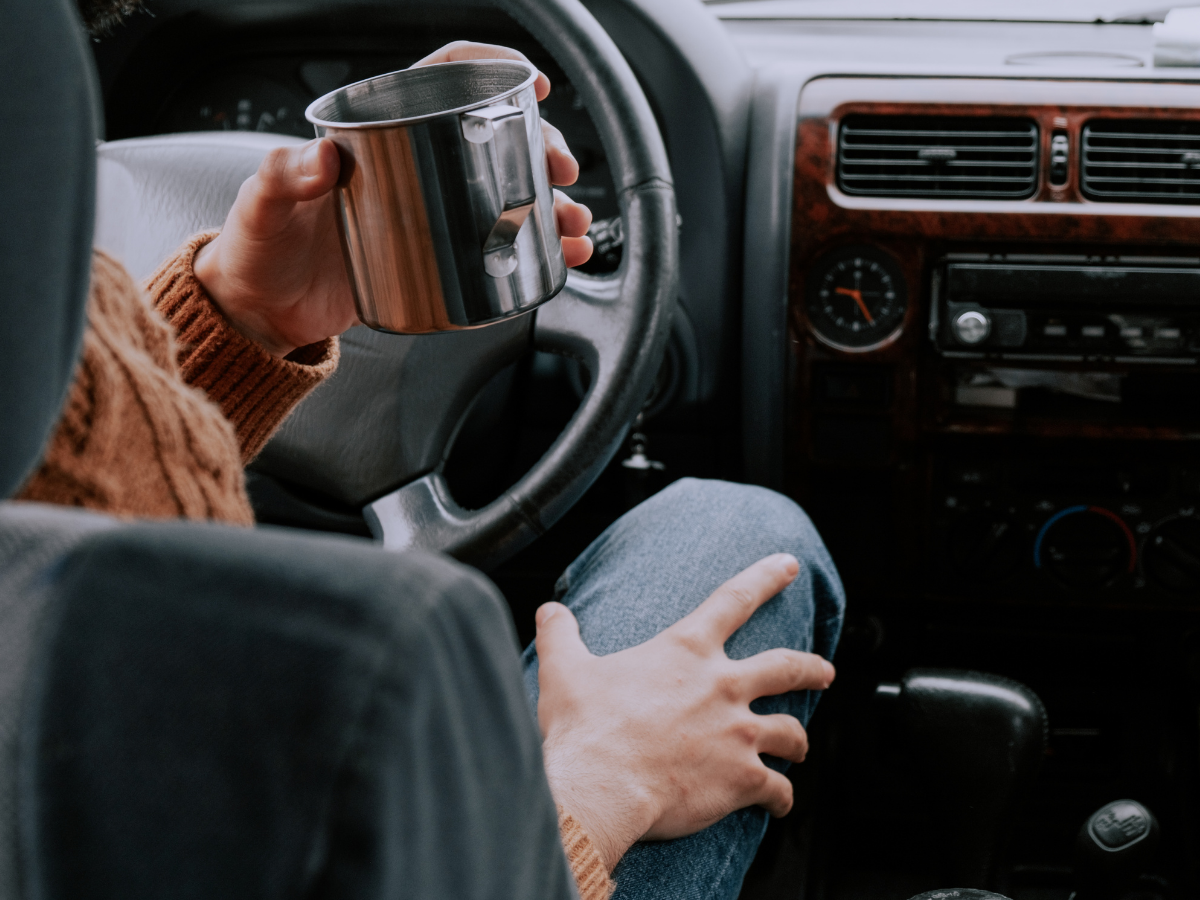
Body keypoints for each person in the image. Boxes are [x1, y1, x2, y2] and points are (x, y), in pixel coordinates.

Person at [20, 3, 846, 898]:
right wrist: (599, 786)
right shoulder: (398, 646)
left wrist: (244, 322)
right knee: (741, 529)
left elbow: (46, 503)